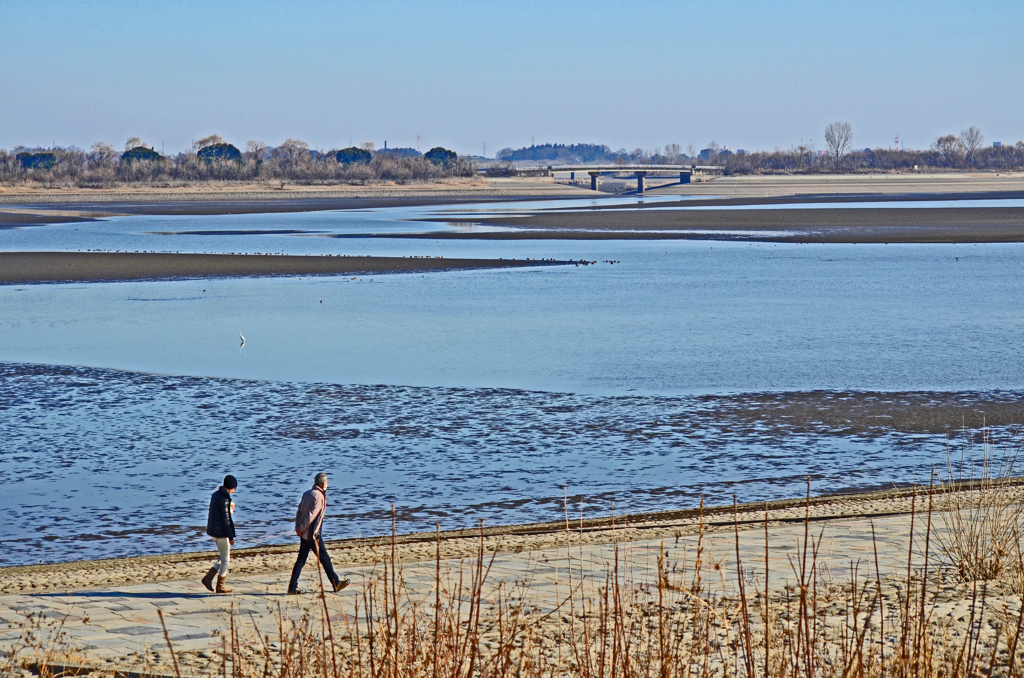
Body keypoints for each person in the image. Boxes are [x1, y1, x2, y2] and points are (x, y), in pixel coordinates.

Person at [288, 472, 351, 594]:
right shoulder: (319, 496)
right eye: (327, 482)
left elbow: (299, 512)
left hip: (304, 534)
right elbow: (311, 517)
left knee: (301, 560)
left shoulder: (307, 494)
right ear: (323, 484)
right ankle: (336, 583)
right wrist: (301, 529)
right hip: (313, 535)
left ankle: (292, 587)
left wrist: (298, 527)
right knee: (325, 559)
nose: (327, 484)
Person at [202, 475, 237, 594]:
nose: (235, 490)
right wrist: (231, 536)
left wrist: (230, 509)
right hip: (221, 533)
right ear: (231, 487)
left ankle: (208, 578)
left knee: (223, 556)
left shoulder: (216, 495)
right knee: (226, 559)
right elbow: (226, 521)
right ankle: (220, 586)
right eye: (234, 487)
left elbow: (218, 514)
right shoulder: (225, 499)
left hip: (213, 531)